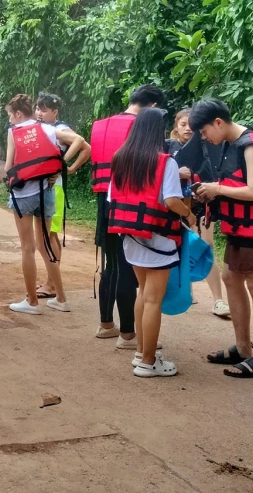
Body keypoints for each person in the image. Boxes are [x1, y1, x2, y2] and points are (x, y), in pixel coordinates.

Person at [191, 98, 253, 379]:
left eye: (205, 131)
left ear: (219, 123)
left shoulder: (251, 145)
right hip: (242, 228)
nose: (205, 137)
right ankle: (243, 347)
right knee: (231, 278)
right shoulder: (231, 145)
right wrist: (210, 191)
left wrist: (216, 189)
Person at [108, 107, 195, 377]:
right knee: (153, 300)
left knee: (143, 294)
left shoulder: (120, 157)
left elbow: (112, 197)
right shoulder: (164, 161)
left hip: (131, 237)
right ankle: (148, 362)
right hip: (158, 239)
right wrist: (189, 214)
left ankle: (140, 353)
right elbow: (170, 200)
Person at [90, 84, 164, 348]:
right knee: (127, 267)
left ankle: (106, 324)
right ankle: (128, 335)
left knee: (110, 263)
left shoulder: (100, 124)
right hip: (130, 203)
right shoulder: (142, 128)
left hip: (103, 199)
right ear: (153, 107)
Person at [4, 94, 89, 315]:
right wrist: (61, 165)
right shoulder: (49, 129)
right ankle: (61, 299)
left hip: (23, 196)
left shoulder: (14, 133)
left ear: (18, 114)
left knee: (27, 247)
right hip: (47, 193)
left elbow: (7, 167)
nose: (10, 121)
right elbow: (80, 140)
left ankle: (32, 302)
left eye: (10, 116)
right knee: (45, 245)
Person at [167, 108, 229, 319]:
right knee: (179, 247)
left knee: (206, 246)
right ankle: (186, 290)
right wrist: (177, 173)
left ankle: (218, 300)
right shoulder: (169, 148)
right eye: (182, 124)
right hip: (177, 207)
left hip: (203, 207)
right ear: (176, 127)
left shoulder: (210, 147)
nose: (187, 128)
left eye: (191, 125)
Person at [33, 92, 91, 299]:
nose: (39, 113)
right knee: (49, 236)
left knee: (49, 237)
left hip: (54, 189)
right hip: (48, 188)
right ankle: (51, 280)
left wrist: (65, 166)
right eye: (37, 109)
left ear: (55, 112)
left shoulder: (60, 129)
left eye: (44, 109)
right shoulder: (45, 128)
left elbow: (85, 146)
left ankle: (51, 284)